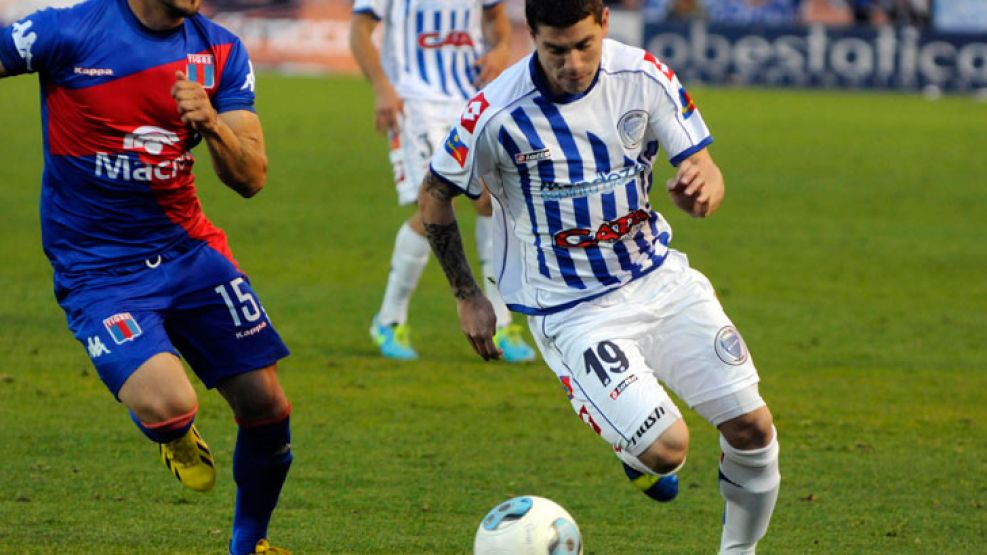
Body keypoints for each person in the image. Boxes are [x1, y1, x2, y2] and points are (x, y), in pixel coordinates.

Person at [418, 0, 780, 553]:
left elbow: (706, 167)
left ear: (604, 23)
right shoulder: (494, 114)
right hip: (570, 309)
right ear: (531, 35)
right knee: (667, 449)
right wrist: (468, 294)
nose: (572, 63)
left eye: (584, 45)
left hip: (659, 278)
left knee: (753, 429)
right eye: (555, 50)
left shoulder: (644, 77)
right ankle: (628, 441)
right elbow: (435, 195)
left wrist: (702, 188)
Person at [0, 1, 292, 553]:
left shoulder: (220, 50)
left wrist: (210, 125)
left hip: (187, 251)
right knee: (170, 405)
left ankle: (250, 544)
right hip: (97, 269)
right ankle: (174, 435)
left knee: (267, 406)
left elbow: (251, 177)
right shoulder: (67, 30)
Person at [349, 0, 537, 362]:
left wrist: (499, 50)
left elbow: (496, 18)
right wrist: (382, 88)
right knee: (434, 203)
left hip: (471, 100)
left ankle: (501, 319)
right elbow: (359, 31)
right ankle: (389, 320)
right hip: (414, 103)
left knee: (491, 200)